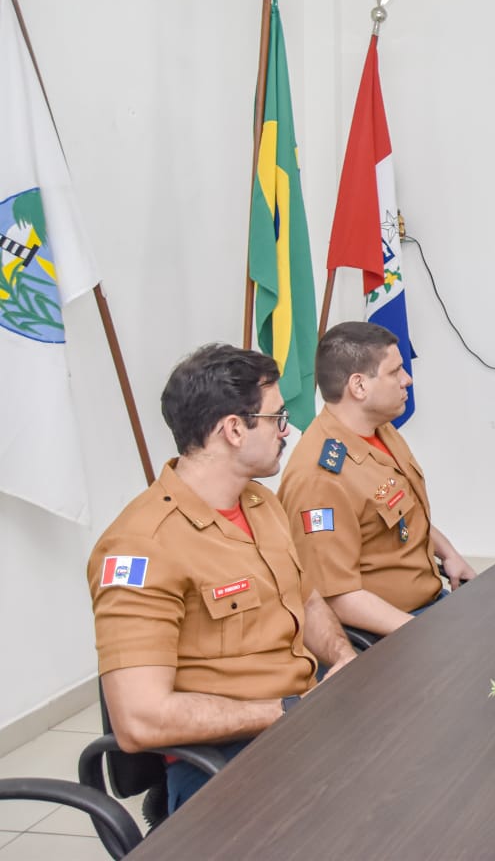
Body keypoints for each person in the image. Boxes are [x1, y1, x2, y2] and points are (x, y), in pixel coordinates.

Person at [87, 345, 357, 813]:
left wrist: (343, 657)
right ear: (233, 429)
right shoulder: (140, 545)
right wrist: (285, 710)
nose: (286, 431)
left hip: (303, 725)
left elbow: (308, 600)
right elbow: (138, 720)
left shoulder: (262, 505)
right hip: (226, 760)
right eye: (276, 418)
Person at [279, 321, 476, 636]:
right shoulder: (320, 478)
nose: (407, 380)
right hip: (388, 631)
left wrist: (449, 553)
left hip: (429, 600)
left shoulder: (379, 429)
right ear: (359, 386)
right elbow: (337, 597)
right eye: (395, 371)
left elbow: (402, 514)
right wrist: (426, 635)